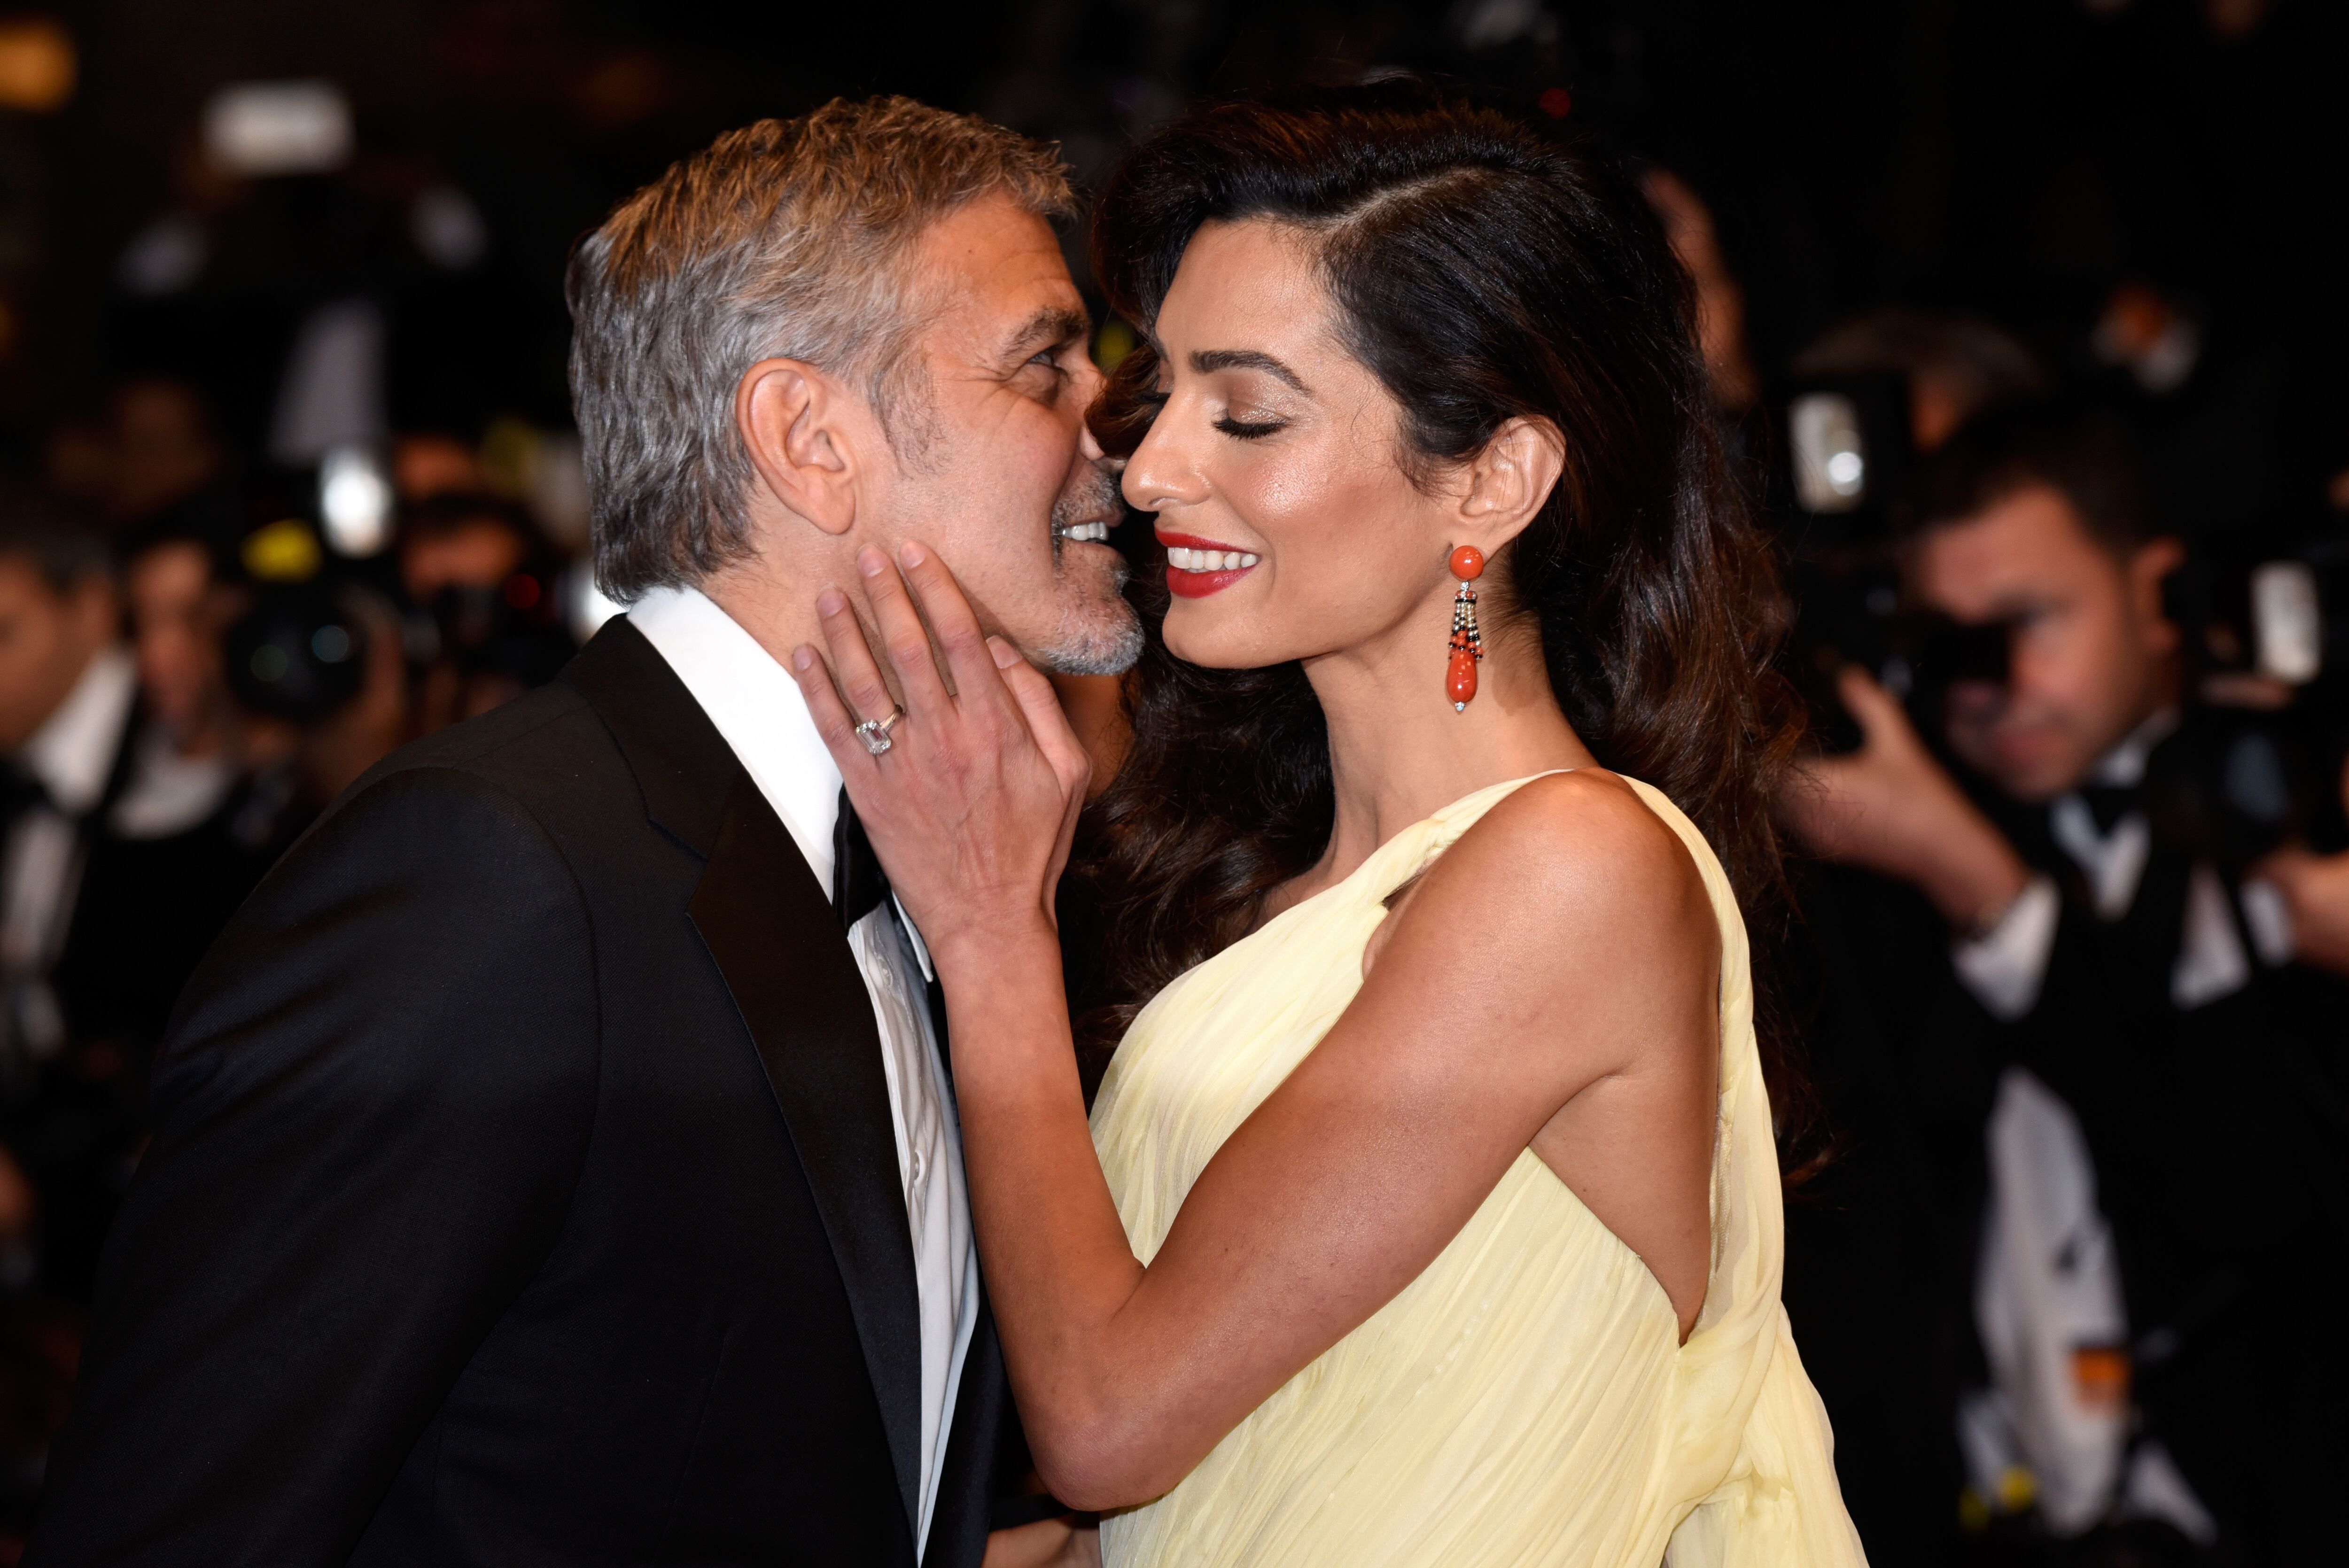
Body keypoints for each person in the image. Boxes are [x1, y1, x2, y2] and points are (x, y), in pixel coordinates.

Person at [26, 99, 1130, 1568]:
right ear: (810, 439)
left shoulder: (950, 860)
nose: (1120, 426)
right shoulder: (491, 878)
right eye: (1046, 363)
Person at [789, 86, 1864, 1567]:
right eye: (1157, 394)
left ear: (1491, 476)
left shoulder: (1572, 870)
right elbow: (1223, 1493)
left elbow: (1104, 1421)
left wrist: (988, 934)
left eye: (1249, 413)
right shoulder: (1280, 895)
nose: (1151, 467)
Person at [1781, 404, 2343, 1560]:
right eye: (1952, 643)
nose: (1995, 682)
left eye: (2028, 621)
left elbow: (2245, 1183)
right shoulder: (1889, 850)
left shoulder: (2290, 818)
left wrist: (1982, 889)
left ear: (2153, 591)